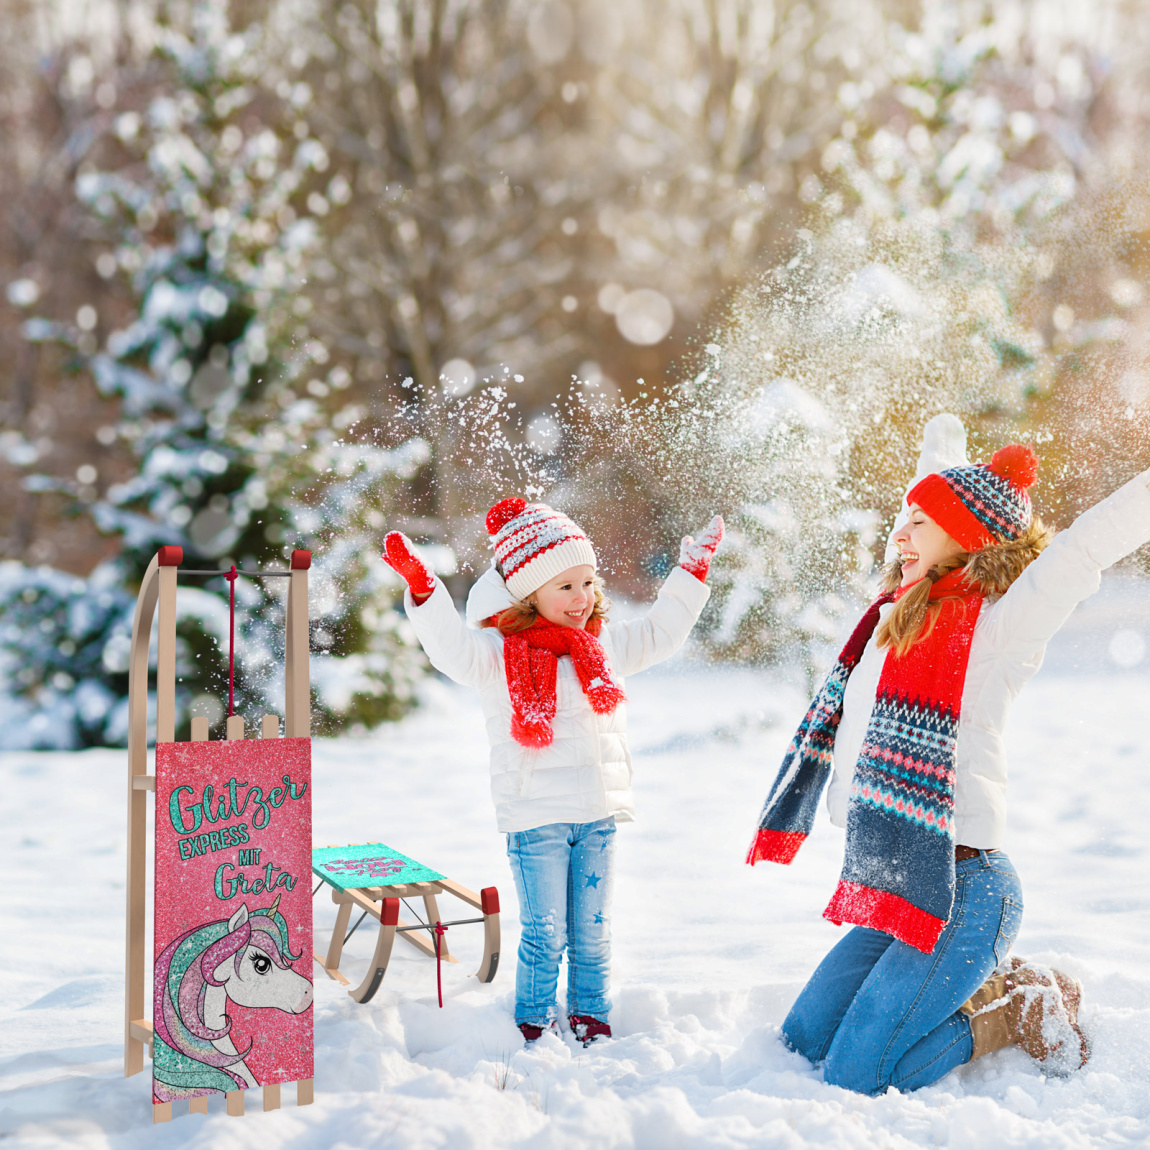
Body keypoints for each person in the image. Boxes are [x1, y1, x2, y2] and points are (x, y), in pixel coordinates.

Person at [748, 413, 1150, 1095]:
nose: (898, 535)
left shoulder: (996, 632)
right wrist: (939, 462)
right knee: (799, 1046)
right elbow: (933, 504)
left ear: (966, 539)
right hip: (907, 882)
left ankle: (1008, 1006)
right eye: (900, 521)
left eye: (918, 524)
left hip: (972, 889)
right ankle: (964, 989)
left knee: (859, 1073)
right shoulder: (892, 620)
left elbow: (1081, 551)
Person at [383, 498, 723, 1045]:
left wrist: (691, 572)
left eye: (587, 582)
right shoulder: (497, 652)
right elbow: (451, 651)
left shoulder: (602, 644)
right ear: (527, 591)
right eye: (565, 586)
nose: (582, 597)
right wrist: (424, 591)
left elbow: (662, 633)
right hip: (536, 817)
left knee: (592, 933)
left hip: (597, 816)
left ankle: (592, 1015)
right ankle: (534, 1022)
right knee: (545, 934)